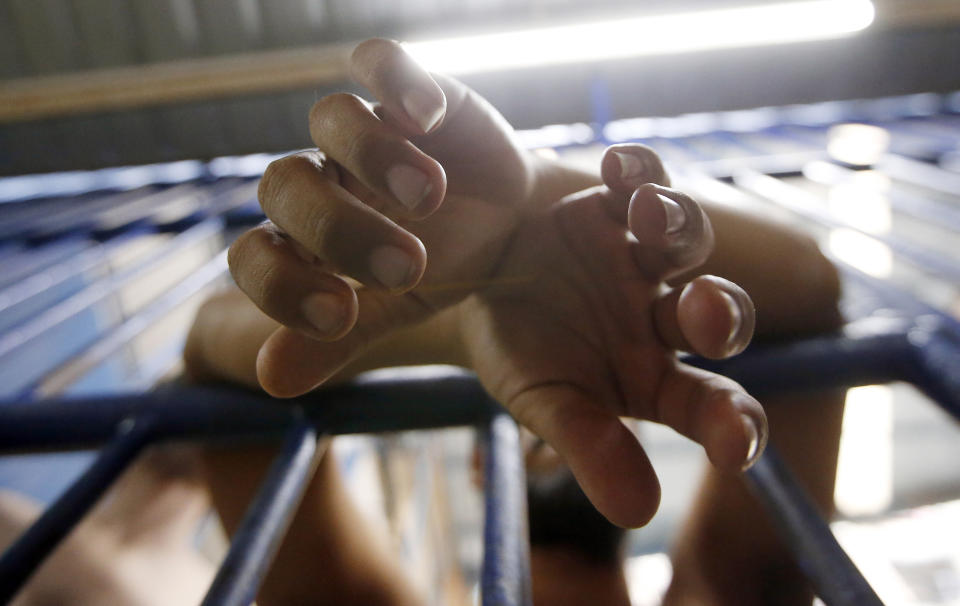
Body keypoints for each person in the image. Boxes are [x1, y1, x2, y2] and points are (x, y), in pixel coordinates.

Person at [184, 38, 845, 605]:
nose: (540, 438)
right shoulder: (731, 587)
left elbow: (212, 366)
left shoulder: (726, 591)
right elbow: (807, 293)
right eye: (522, 425)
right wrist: (462, 319)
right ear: (479, 468)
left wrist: (526, 212)